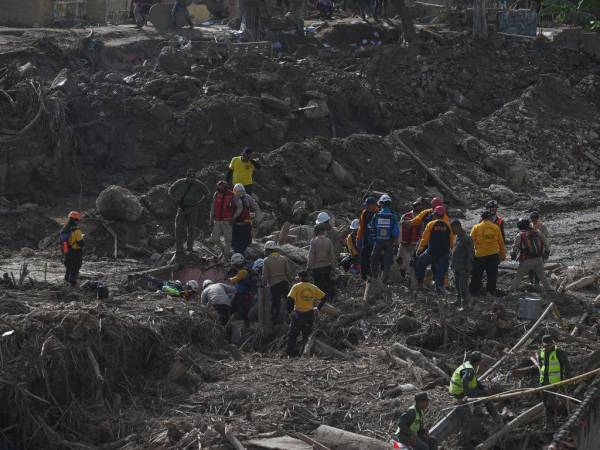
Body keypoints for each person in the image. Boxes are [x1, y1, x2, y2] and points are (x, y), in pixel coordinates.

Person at [449, 352, 500, 422]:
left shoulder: (468, 364)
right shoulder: (469, 370)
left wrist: (482, 387)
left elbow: (473, 381)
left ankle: (478, 412)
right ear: (478, 361)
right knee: (485, 394)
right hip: (460, 392)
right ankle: (496, 417)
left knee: (481, 391)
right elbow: (465, 380)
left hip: (456, 389)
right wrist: (470, 395)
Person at [286, 270, 327, 356]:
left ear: (299, 277)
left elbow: (289, 299)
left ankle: (289, 354)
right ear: (307, 277)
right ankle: (304, 354)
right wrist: (317, 307)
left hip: (298, 314)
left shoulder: (296, 287)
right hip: (309, 314)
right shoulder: (313, 287)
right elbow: (324, 297)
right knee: (307, 336)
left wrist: (290, 312)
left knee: (292, 335)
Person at [168, 169, 206, 257]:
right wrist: (175, 200)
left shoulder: (198, 184)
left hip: (193, 209)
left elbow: (207, 193)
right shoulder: (180, 182)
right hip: (181, 208)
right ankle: (179, 249)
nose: (191, 178)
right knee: (178, 229)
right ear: (186, 176)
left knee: (191, 230)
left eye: (193, 177)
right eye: (189, 176)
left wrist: (199, 202)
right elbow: (170, 190)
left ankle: (189, 248)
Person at [415, 206, 453, 293]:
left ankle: (420, 282)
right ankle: (439, 287)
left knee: (420, 261)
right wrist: (452, 250)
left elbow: (424, 239)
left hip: (431, 252)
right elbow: (452, 240)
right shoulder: (448, 225)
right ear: (443, 214)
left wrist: (419, 249)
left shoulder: (431, 224)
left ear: (435, 214)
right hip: (444, 253)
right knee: (441, 270)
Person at [509, 218, 553, 292]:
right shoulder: (538, 232)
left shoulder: (520, 235)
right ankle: (550, 290)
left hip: (526, 259)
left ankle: (511, 291)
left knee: (519, 277)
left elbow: (514, 248)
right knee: (542, 276)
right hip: (539, 258)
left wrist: (513, 255)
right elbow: (546, 244)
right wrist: (546, 253)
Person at [469, 210, 506, 296]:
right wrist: (503, 254)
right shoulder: (496, 227)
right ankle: (490, 291)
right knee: (492, 274)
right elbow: (501, 242)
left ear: (481, 218)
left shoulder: (476, 227)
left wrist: (470, 255)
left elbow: (470, 241)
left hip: (480, 255)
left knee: (477, 274)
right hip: (493, 254)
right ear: (489, 218)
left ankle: (474, 291)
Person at [538, 335, 571, 429]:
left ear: (552, 343)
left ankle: (551, 422)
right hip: (543, 382)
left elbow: (567, 366)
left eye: (549, 345)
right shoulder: (541, 352)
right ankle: (549, 423)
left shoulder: (558, 352)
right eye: (545, 345)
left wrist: (566, 379)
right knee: (545, 403)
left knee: (551, 403)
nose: (547, 347)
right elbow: (541, 367)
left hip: (555, 383)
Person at [370, 194, 400, 283]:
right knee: (387, 263)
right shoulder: (393, 216)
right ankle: (383, 281)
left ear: (381, 204)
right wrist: (397, 245)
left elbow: (372, 229)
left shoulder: (376, 215)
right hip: (389, 242)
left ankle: (374, 279)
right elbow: (396, 233)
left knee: (373, 259)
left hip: (378, 242)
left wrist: (373, 240)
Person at [262, 241, 293, 324]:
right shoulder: (283, 258)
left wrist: (263, 284)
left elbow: (265, 275)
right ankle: (293, 315)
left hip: (274, 284)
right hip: (284, 283)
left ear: (268, 250)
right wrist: (291, 281)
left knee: (276, 303)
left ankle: (275, 320)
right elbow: (288, 272)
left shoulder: (266, 260)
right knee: (289, 300)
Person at [398, 199, 425, 288]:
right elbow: (400, 227)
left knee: (411, 263)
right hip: (404, 242)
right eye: (418, 206)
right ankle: (403, 276)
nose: (419, 208)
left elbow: (421, 231)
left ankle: (409, 281)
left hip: (414, 244)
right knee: (400, 260)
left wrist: (421, 243)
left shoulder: (420, 218)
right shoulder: (405, 216)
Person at [307, 220, 336, 301]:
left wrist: (308, 267)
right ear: (324, 231)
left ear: (316, 231)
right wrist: (333, 267)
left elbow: (311, 255)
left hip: (317, 268)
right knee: (328, 284)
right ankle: (331, 299)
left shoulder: (314, 241)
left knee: (319, 286)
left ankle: (323, 302)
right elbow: (332, 256)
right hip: (327, 266)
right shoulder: (328, 241)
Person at [451, 219, 474, 308]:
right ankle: (458, 300)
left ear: (458, 227)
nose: (452, 231)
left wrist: (468, 265)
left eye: (453, 228)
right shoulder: (457, 237)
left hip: (463, 267)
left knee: (463, 286)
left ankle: (465, 304)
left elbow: (471, 253)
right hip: (456, 266)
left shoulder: (466, 238)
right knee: (457, 285)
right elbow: (454, 251)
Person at [231, 183, 260, 255]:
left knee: (241, 244)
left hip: (241, 225)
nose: (240, 194)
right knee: (240, 244)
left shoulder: (245, 197)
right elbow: (256, 208)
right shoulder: (232, 198)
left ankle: (240, 256)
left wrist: (256, 220)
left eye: (241, 192)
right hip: (240, 225)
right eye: (238, 192)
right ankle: (240, 256)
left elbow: (256, 208)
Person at [209, 180, 235, 260]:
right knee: (214, 238)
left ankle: (226, 257)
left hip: (227, 220)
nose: (219, 190)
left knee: (228, 239)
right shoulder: (216, 194)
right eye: (218, 188)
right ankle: (223, 250)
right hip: (217, 220)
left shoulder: (232, 195)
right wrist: (210, 218)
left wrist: (233, 217)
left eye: (221, 188)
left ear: (225, 188)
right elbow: (213, 207)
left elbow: (236, 207)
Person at [356, 197, 379, 280]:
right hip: (366, 238)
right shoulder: (365, 213)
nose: (366, 207)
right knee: (363, 256)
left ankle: (373, 275)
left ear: (373, 205)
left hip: (375, 239)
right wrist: (358, 237)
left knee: (373, 257)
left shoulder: (379, 213)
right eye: (366, 205)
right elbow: (361, 226)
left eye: (368, 205)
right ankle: (364, 275)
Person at [60, 211, 84, 287]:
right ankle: (72, 285)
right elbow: (81, 243)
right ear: (76, 220)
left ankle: (65, 283)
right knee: (75, 269)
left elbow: (61, 242)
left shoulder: (64, 229)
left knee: (69, 269)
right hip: (75, 252)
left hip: (66, 251)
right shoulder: (77, 231)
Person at [228, 253, 253, 322]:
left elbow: (232, 281)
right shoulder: (245, 271)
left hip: (242, 296)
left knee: (236, 311)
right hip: (245, 295)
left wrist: (229, 277)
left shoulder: (243, 272)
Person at [529, 210, 551, 285]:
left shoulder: (542, 226)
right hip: (532, 249)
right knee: (531, 266)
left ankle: (537, 282)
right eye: (531, 218)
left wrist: (547, 251)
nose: (532, 220)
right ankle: (531, 282)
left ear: (537, 218)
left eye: (533, 218)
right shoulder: (530, 225)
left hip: (541, 249)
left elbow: (545, 239)